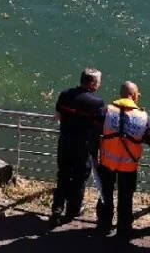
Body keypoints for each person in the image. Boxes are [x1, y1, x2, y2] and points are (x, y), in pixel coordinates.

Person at [95, 81, 150, 238]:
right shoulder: (143, 116)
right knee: (126, 197)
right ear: (134, 95)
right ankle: (123, 228)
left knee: (105, 195)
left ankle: (104, 226)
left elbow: (95, 130)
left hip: (107, 162)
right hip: (128, 166)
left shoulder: (106, 110)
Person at [49, 67, 105, 226]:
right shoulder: (97, 102)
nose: (100, 84)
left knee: (63, 175)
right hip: (84, 145)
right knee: (80, 178)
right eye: (99, 81)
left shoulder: (65, 94)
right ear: (93, 83)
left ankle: (57, 208)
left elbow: (57, 116)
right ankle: (73, 209)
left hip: (65, 141)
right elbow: (99, 128)